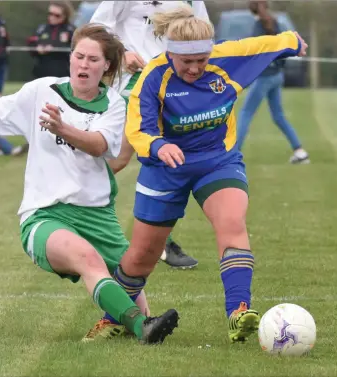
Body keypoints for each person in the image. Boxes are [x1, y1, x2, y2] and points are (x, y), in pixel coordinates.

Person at [0, 23, 179, 344]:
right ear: (71, 58)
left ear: (106, 65)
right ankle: (141, 328)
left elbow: (99, 145)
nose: (83, 64)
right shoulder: (41, 91)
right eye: (79, 56)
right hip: (45, 213)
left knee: (132, 279)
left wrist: (62, 128)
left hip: (97, 215)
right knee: (88, 260)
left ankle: (130, 323)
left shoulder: (115, 105)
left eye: (93, 59)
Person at [113, 4, 308, 344]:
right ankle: (112, 318)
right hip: (165, 169)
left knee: (232, 223)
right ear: (170, 52)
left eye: (201, 60)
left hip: (218, 160)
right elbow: (138, 131)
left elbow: (265, 45)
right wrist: (159, 146)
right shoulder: (153, 78)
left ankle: (238, 313)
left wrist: (293, 41)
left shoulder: (225, 60)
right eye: (186, 61)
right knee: (142, 257)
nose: (195, 68)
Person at [90, 1, 208, 269]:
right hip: (136, 81)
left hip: (177, 82)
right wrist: (122, 52)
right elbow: (96, 28)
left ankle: (159, 242)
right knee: (120, 157)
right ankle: (72, 207)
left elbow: (203, 33)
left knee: (173, 159)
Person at [236, 0, 310, 164]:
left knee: (246, 113)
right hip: (277, 76)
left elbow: (253, 54)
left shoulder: (257, 27)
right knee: (278, 116)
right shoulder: (275, 22)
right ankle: (300, 151)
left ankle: (233, 154)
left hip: (264, 78)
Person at [27, 1, 76, 79]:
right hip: (40, 74)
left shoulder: (71, 30)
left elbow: (75, 49)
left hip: (62, 75)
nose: (52, 17)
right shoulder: (42, 28)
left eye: (57, 15)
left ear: (65, 15)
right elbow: (31, 42)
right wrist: (37, 48)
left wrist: (53, 48)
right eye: (50, 13)